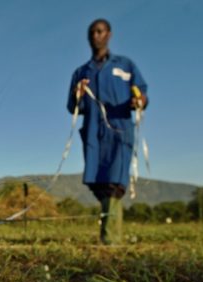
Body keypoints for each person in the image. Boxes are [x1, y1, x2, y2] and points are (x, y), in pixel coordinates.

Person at [67, 18, 148, 244]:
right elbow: (73, 107)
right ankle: (108, 234)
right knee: (99, 184)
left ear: (109, 34)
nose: (96, 36)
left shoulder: (125, 66)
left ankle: (111, 241)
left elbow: (142, 93)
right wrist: (78, 94)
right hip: (94, 134)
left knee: (115, 184)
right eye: (92, 32)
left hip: (120, 131)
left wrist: (139, 100)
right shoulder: (82, 72)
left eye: (100, 31)